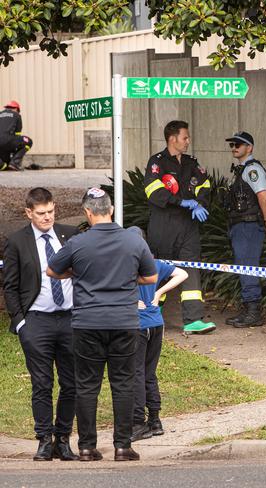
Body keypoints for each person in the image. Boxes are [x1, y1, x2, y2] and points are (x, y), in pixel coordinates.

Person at [47, 188, 158, 462]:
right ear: (111, 210)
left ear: (87, 212)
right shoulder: (134, 241)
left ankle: (86, 447)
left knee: (86, 386)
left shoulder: (77, 243)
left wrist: (78, 274)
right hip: (123, 322)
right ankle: (123, 446)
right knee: (123, 384)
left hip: (87, 323)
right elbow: (151, 276)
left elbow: (52, 270)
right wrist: (129, 278)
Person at [2, 187, 79, 461]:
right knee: (42, 384)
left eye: (51, 212)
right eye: (41, 213)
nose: (47, 218)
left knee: (71, 383)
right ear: (29, 213)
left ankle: (63, 438)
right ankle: (44, 439)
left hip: (70, 319)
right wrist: (20, 322)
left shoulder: (70, 235)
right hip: (36, 321)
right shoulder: (17, 241)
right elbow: (10, 286)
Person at [143, 120, 215, 335]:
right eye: (185, 137)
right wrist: (181, 202)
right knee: (161, 271)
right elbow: (152, 191)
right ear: (172, 138)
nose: (188, 141)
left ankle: (193, 319)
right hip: (163, 225)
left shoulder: (192, 162)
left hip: (188, 226)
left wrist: (200, 203)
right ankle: (150, 313)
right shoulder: (157, 162)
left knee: (191, 268)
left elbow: (205, 185)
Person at [127, 227, 189, 442]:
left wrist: (132, 300)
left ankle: (138, 422)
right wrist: (159, 292)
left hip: (137, 325)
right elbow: (183, 273)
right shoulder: (153, 264)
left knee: (136, 373)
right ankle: (155, 420)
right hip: (156, 323)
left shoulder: (125, 265)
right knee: (149, 372)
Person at [222, 131, 266, 328]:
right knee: (243, 266)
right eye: (232, 144)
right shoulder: (242, 169)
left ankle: (253, 313)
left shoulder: (252, 170)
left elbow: (264, 197)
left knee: (248, 266)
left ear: (249, 148)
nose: (234, 147)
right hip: (241, 225)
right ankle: (247, 309)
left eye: (239, 144)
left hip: (249, 225)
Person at [0, 100, 33, 171]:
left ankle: (2, 164)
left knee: (5, 163)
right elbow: (17, 135)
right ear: (16, 109)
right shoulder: (17, 115)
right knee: (28, 141)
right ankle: (14, 162)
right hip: (8, 140)